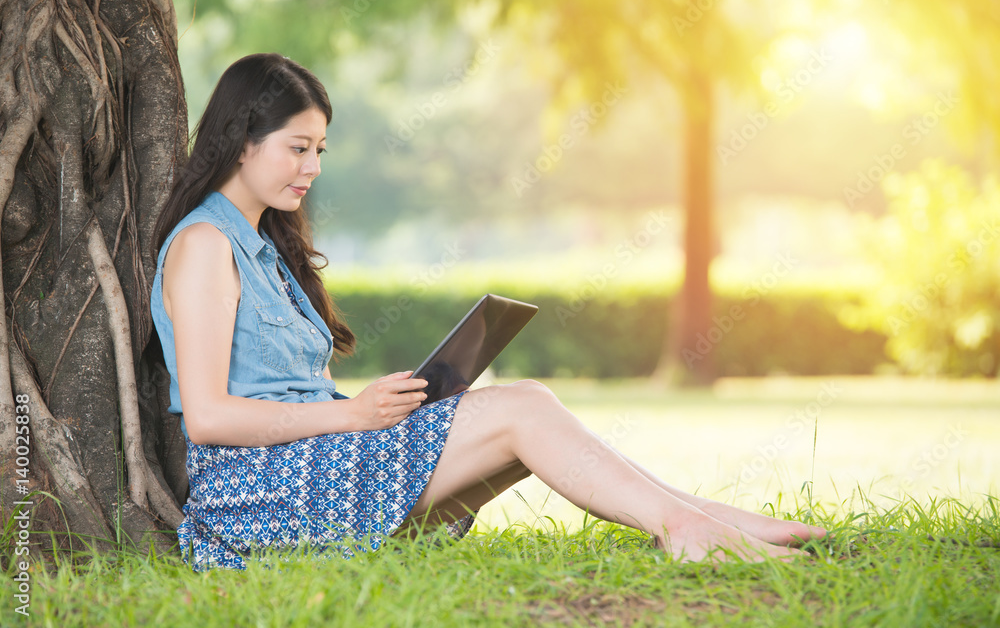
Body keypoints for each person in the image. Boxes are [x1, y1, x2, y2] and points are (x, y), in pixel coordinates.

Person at [150, 53, 826, 572]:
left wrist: (369, 412)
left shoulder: (266, 246)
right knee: (521, 408)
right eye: (298, 147)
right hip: (254, 497)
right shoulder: (207, 245)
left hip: (306, 469)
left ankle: (697, 515)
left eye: (320, 150)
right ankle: (687, 528)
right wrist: (352, 415)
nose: (313, 167)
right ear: (242, 141)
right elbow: (209, 417)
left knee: (521, 410)